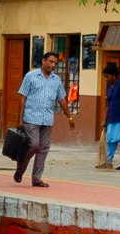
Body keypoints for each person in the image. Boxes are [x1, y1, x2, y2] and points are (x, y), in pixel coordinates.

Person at [14, 51, 76, 187]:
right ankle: (20, 168)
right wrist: (20, 120)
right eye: (50, 62)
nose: (53, 65)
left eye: (55, 63)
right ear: (43, 61)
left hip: (47, 119)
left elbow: (61, 99)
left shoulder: (56, 80)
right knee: (34, 145)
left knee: (43, 148)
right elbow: (22, 97)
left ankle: (36, 178)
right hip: (31, 118)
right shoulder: (30, 77)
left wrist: (69, 117)